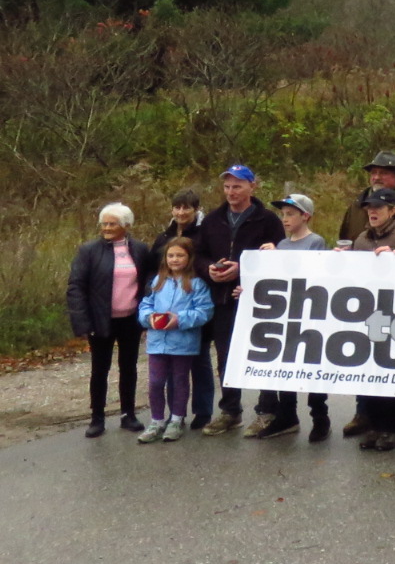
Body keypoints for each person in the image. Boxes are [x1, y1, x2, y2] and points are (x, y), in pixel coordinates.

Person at [194, 165, 286, 436]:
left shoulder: (268, 220)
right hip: (222, 298)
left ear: (252, 187)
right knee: (226, 357)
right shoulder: (212, 220)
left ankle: (266, 411)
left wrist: (243, 270)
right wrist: (209, 269)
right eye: (227, 187)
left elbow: (281, 259)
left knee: (263, 355)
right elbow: (199, 256)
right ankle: (230, 411)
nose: (231, 192)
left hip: (259, 302)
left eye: (237, 186)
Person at [67, 202, 153, 437]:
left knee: (128, 367)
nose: (106, 228)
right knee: (99, 369)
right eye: (103, 223)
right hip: (100, 320)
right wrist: (82, 322)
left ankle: (128, 414)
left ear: (126, 225)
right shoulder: (89, 251)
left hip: (130, 319)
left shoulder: (140, 249)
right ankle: (97, 418)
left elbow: (149, 280)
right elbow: (76, 287)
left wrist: (146, 311)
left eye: (112, 224)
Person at [253, 194, 331, 441]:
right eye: (283, 214)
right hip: (286, 316)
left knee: (310, 368)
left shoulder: (315, 242)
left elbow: (315, 275)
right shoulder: (282, 245)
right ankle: (286, 415)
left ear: (305, 216)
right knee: (285, 365)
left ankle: (320, 417)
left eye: (290, 214)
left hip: (309, 314)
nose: (285, 219)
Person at [346, 187, 395, 451]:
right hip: (367, 314)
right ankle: (375, 426)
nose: (372, 211)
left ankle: (390, 428)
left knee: (391, 374)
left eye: (378, 207)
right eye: (369, 207)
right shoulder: (362, 239)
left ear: (392, 210)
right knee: (370, 373)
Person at [134, 237, 213, 443]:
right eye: (171, 255)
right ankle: (156, 421)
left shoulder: (196, 284)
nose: (175, 259)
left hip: (184, 343)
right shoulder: (157, 281)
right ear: (165, 258)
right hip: (157, 341)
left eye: (180, 255)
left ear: (189, 258)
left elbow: (204, 311)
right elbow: (145, 305)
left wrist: (180, 320)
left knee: (179, 381)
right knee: (156, 382)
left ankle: (177, 419)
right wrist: (148, 318)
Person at [338, 151, 395, 243]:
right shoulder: (356, 206)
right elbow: (344, 241)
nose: (377, 177)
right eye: (373, 173)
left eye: (383, 173)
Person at [152, 188, 203, 258]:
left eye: (186, 208)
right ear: (172, 210)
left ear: (196, 209)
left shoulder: (203, 236)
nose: (181, 213)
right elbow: (151, 266)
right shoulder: (163, 238)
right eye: (177, 208)